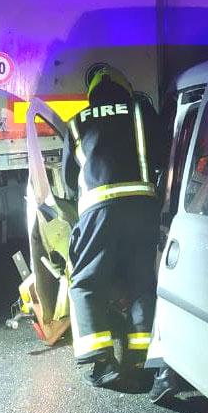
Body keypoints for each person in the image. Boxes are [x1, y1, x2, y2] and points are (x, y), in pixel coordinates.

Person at [62, 64, 162, 388]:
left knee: (85, 282)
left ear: (91, 93)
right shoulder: (140, 111)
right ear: (124, 88)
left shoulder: (76, 122)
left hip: (98, 211)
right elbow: (162, 152)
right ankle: (142, 358)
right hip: (142, 207)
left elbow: (68, 179)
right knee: (141, 281)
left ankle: (102, 363)